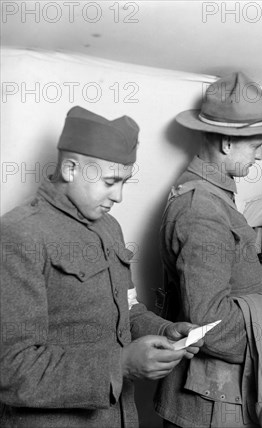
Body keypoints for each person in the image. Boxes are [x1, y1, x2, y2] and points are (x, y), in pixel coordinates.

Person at [0, 106, 201, 428]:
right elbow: (11, 368)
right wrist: (120, 364)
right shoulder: (19, 234)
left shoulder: (108, 227)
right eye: (110, 181)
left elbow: (127, 308)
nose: (118, 196)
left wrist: (164, 331)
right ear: (69, 169)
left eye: (124, 182)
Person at [154, 72, 262, 428]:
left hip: (220, 391)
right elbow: (209, 324)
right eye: (256, 144)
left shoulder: (213, 194)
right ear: (228, 143)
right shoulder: (201, 208)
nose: (261, 155)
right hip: (210, 403)